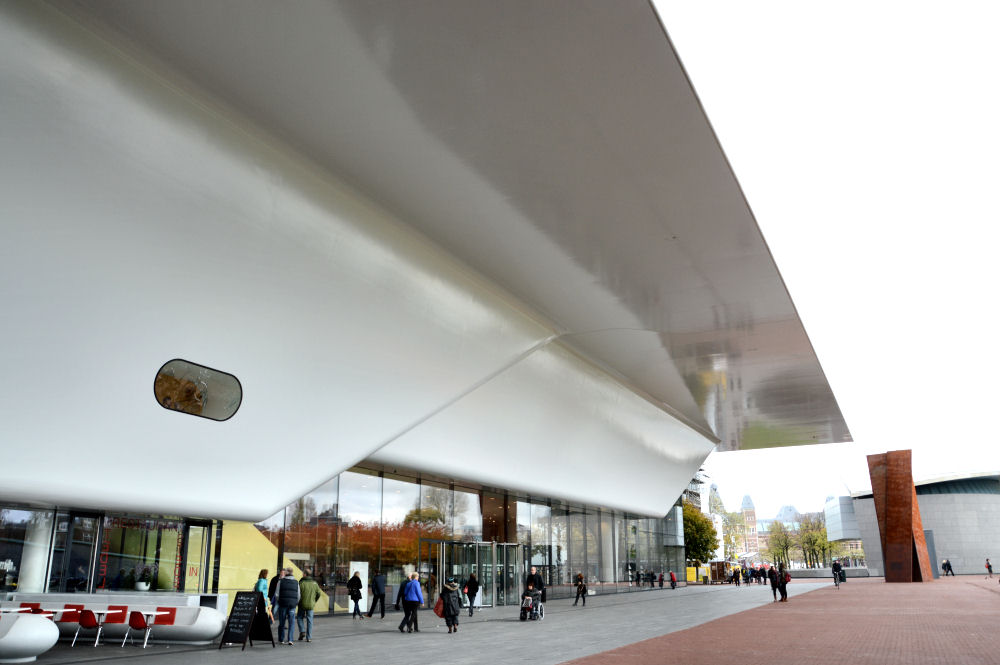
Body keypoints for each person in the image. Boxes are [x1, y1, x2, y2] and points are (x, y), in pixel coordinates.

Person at [271, 567, 300, 645]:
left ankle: (281, 639)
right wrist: (295, 602)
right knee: (291, 622)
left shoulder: (281, 582)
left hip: (283, 604)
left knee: (282, 622)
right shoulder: (296, 582)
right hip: (292, 605)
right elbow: (298, 595)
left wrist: (279, 601)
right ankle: (290, 639)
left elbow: (276, 594)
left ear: (286, 573)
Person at [297, 570, 321, 641]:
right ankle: (309, 637)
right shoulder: (315, 583)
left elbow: (298, 594)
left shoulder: (301, 583)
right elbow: (318, 594)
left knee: (299, 617)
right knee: (310, 620)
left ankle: (302, 630)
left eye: (303, 573)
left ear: (305, 574)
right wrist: (314, 601)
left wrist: (298, 602)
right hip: (311, 604)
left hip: (302, 604)